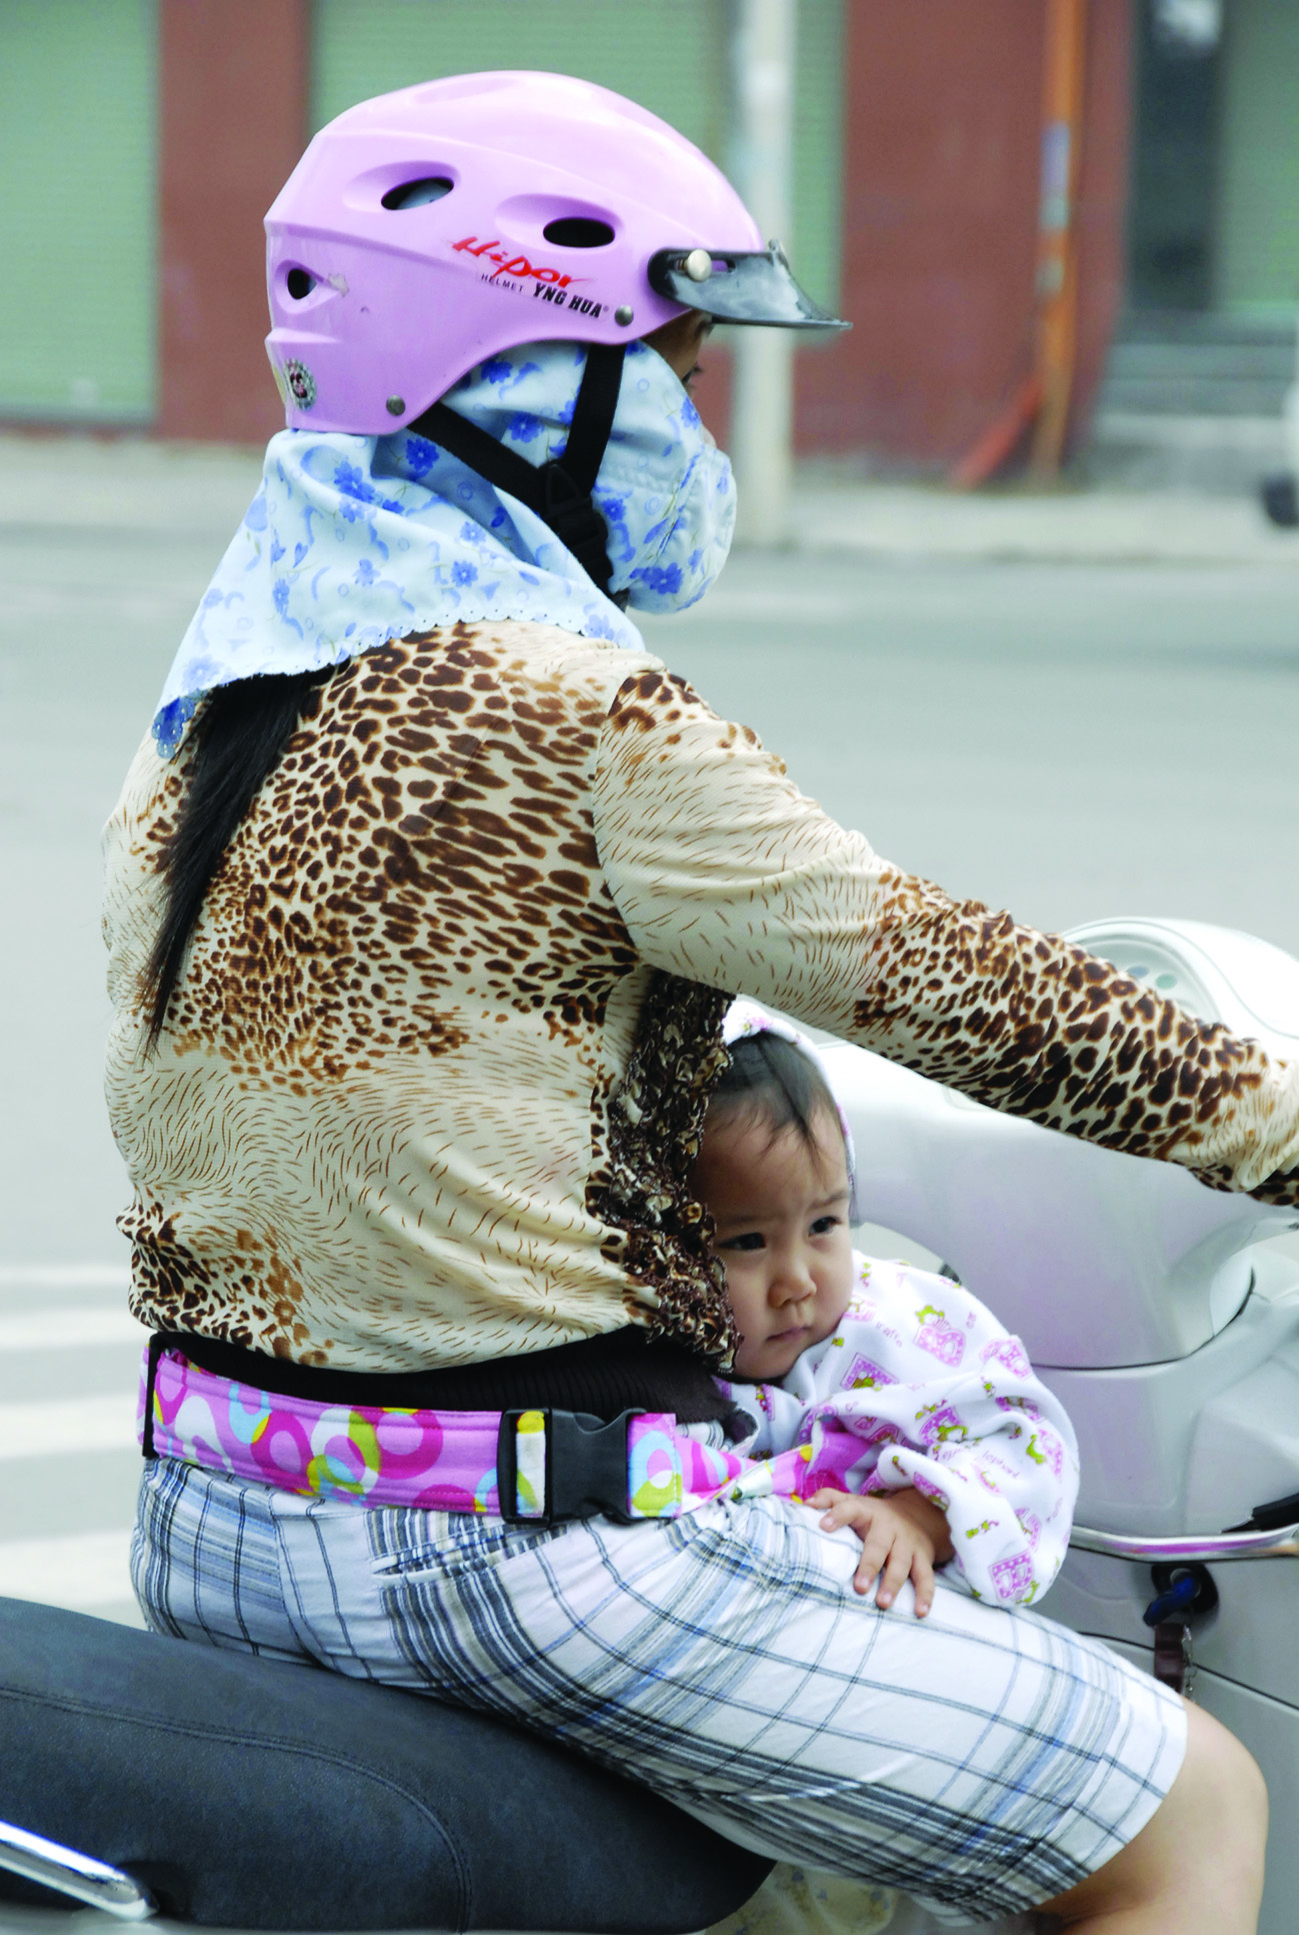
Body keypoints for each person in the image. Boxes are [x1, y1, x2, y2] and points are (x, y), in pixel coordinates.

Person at [105, 71, 1282, 1933]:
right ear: (519, 379)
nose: (694, 423)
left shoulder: (214, 716)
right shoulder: (575, 716)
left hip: (213, 1517)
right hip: (507, 1555)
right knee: (1186, 1808)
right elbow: (970, 990)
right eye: (673, 369)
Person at [696, 1006, 1079, 1619]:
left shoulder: (899, 1325)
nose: (797, 1281)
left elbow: (1026, 1444)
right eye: (747, 1242)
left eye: (824, 1224)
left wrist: (923, 1516)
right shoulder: (647, 1365)